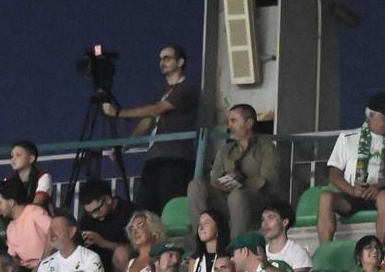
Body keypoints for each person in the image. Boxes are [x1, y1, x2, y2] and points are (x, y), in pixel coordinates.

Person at [106, 43, 199, 212]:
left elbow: (157, 109)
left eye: (167, 58)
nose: (162, 62)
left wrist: (118, 113)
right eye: (160, 59)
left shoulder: (187, 89)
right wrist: (125, 145)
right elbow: (147, 121)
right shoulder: (161, 90)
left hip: (176, 159)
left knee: (170, 208)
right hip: (154, 158)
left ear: (180, 62)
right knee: (146, 211)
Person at [319, 93, 385, 243]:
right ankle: (325, 250)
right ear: (371, 116)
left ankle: (380, 248)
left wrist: (378, 186)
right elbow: (334, 175)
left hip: (382, 191)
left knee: (383, 196)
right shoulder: (347, 138)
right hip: (354, 193)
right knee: (325, 197)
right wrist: (353, 190)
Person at [188, 102, 282, 236]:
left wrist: (243, 180)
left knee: (237, 195)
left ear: (249, 123)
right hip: (226, 201)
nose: (229, 126)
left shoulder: (267, 148)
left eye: (233, 121)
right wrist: (225, 182)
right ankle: (198, 240)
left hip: (256, 204)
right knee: (196, 185)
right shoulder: (225, 150)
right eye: (228, 121)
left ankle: (236, 248)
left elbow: (270, 184)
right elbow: (214, 181)